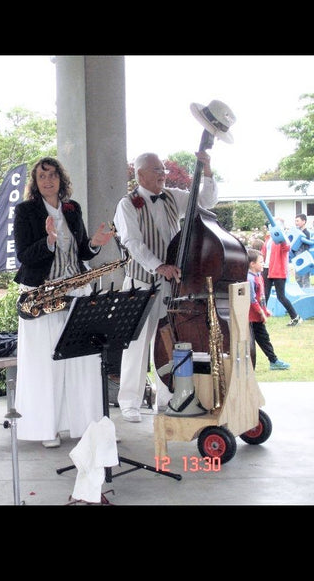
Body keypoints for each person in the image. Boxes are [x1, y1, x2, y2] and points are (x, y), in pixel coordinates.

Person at [13, 156, 115, 447]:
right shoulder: (26, 211)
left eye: (53, 175)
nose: (48, 181)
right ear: (36, 181)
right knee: (47, 363)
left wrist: (94, 243)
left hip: (77, 290)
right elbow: (23, 256)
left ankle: (86, 424)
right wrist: (48, 241)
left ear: (61, 179)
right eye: (42, 176)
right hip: (43, 294)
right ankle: (48, 428)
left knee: (82, 360)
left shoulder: (72, 208)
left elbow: (82, 251)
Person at [113, 150, 217, 422]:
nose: (163, 174)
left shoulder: (172, 196)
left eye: (163, 170)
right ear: (141, 174)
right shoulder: (127, 204)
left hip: (172, 286)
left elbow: (207, 201)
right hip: (140, 282)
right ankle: (130, 402)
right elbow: (132, 243)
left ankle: (168, 395)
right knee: (136, 345)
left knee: (170, 339)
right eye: (157, 170)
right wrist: (158, 265)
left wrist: (206, 171)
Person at [247, 248, 290, 371]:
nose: (263, 264)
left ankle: (273, 360)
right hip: (252, 318)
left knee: (263, 339)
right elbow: (252, 300)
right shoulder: (250, 279)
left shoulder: (259, 275)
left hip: (258, 317)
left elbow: (261, 297)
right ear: (252, 264)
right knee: (255, 341)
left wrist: (265, 310)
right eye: (261, 262)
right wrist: (261, 313)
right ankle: (273, 361)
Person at [261, 221, 303, 327]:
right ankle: (260, 318)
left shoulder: (283, 238)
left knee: (281, 296)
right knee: (264, 295)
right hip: (266, 268)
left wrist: (282, 238)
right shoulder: (268, 238)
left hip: (278, 269)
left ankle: (295, 317)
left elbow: (286, 248)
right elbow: (263, 252)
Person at [293, 213, 311, 288]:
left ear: (304, 221)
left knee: (305, 279)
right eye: (295, 221)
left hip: (304, 259)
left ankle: (307, 296)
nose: (296, 223)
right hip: (297, 259)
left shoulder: (306, 233)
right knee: (298, 278)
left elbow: (307, 247)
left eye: (298, 221)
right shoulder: (296, 233)